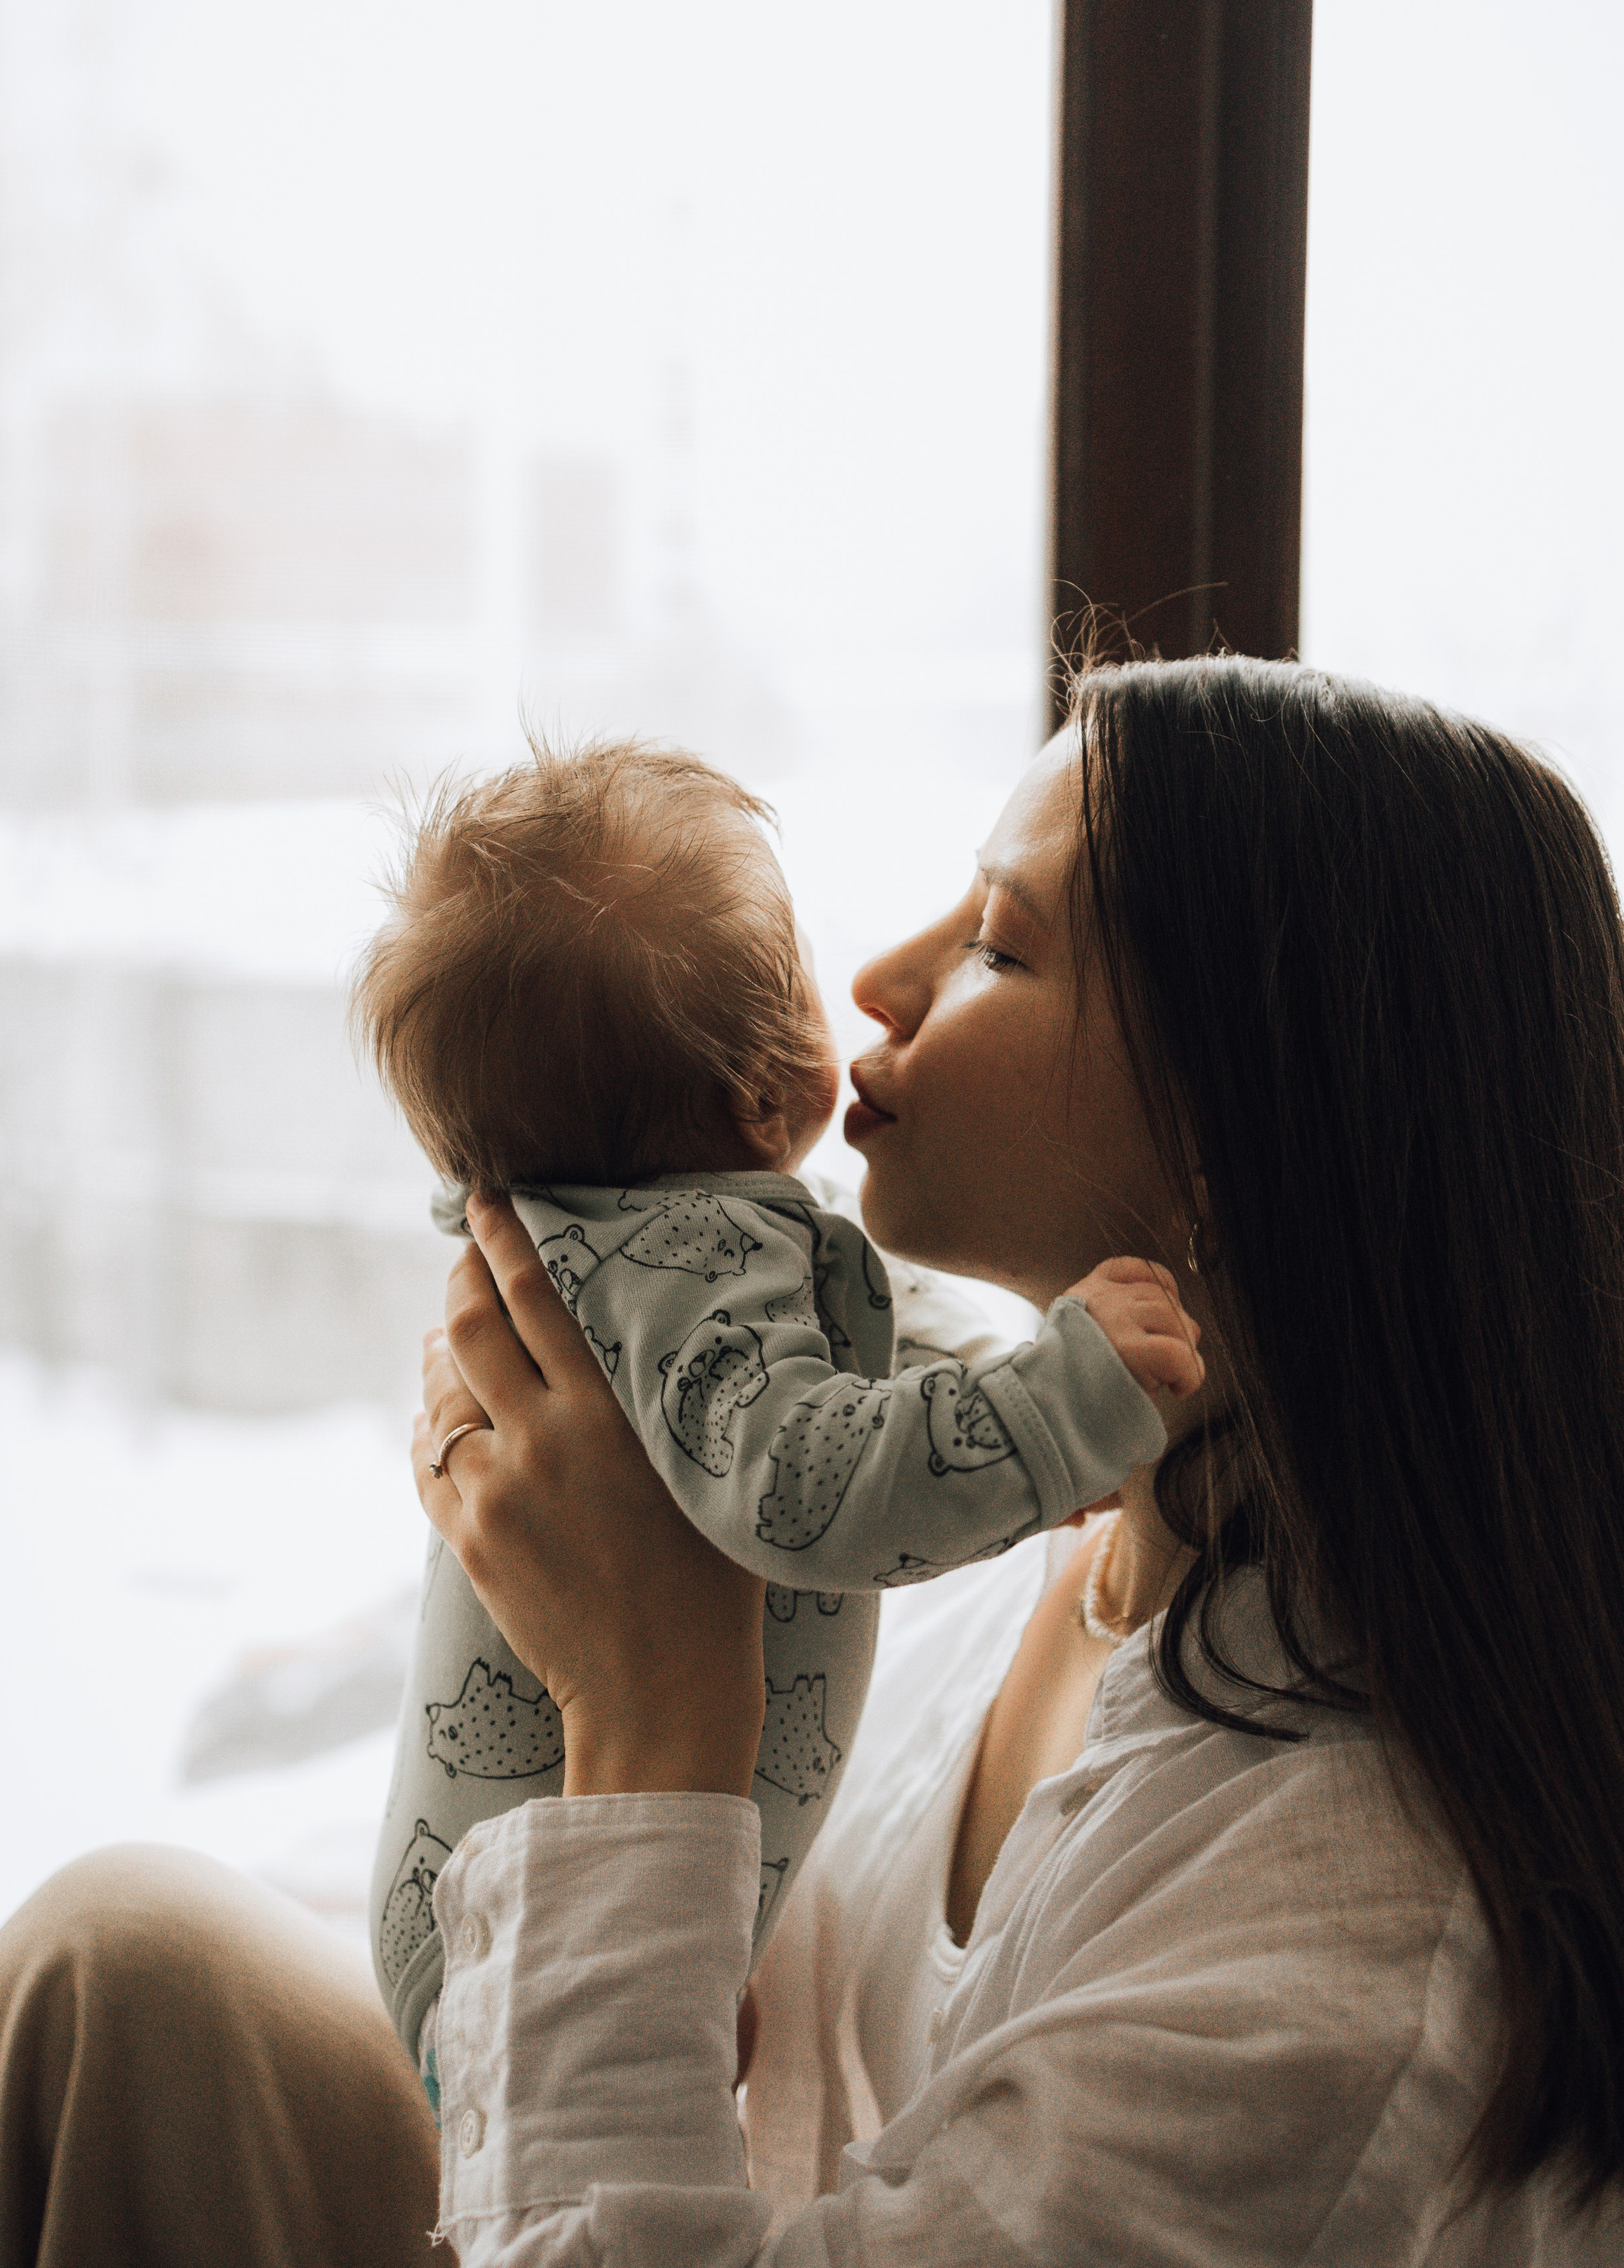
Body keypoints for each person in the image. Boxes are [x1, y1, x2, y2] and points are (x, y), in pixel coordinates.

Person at [0, 656, 1624, 2268]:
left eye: (999, 943)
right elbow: (770, 2007)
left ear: (1234, 1136)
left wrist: (646, 1713)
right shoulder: (1067, 1546)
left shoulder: (1342, 1967)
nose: (879, 983)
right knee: (121, 1969)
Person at [354, 736, 1192, 2077]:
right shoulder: (688, 1268)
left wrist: (1035, 1408)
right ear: (758, 1093)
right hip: (528, 1932)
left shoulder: (646, 1249)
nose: (867, 983)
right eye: (802, 977)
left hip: (498, 1910)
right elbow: (806, 1482)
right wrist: (1047, 1421)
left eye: (998, 944)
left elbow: (878, 1336)